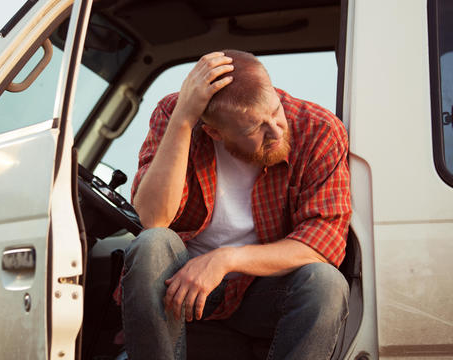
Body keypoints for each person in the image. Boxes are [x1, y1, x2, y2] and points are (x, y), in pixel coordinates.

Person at [117, 50, 351, 359]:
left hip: (263, 291)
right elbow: (153, 218)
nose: (276, 131)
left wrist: (226, 259)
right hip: (180, 289)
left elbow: (324, 244)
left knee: (326, 283)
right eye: (256, 128)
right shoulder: (176, 115)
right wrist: (184, 121)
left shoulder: (319, 129)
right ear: (214, 131)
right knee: (152, 244)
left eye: (275, 110)